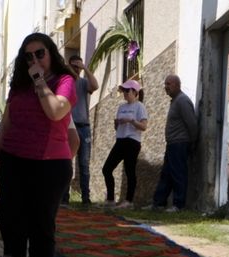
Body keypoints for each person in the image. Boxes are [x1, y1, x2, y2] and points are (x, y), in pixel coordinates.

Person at [0, 33, 76, 257]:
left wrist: (39, 81)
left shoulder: (65, 81)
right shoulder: (18, 86)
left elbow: (54, 112)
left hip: (49, 165)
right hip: (14, 161)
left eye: (40, 53)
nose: (34, 60)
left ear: (51, 53)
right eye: (28, 57)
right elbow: (6, 124)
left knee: (42, 231)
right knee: (12, 227)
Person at [151, 74, 197, 211]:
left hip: (180, 144)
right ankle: (159, 203)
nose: (166, 87)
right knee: (166, 175)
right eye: (165, 84)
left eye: (169, 84)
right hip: (172, 144)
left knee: (178, 174)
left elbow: (192, 124)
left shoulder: (182, 101)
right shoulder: (175, 101)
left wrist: (192, 143)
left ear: (177, 85)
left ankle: (178, 204)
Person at [102, 80, 148, 208]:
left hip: (132, 141)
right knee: (107, 169)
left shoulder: (140, 107)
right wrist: (117, 123)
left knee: (129, 171)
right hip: (120, 140)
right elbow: (116, 128)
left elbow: (144, 126)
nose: (125, 93)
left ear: (135, 92)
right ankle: (110, 199)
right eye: (124, 91)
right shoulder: (121, 107)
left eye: (127, 91)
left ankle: (129, 201)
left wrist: (131, 120)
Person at [65, 52, 100, 206]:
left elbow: (95, 86)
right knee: (67, 162)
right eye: (74, 66)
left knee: (84, 163)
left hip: (84, 127)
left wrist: (85, 67)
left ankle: (86, 197)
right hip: (68, 126)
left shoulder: (84, 82)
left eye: (78, 66)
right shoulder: (65, 82)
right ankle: (64, 196)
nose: (76, 69)